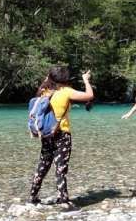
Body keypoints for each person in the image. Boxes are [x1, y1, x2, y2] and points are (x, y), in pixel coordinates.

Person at [28, 66, 94, 208]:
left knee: (43, 165)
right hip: (61, 133)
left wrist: (49, 77)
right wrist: (86, 80)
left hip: (46, 133)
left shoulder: (44, 91)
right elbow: (89, 95)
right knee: (61, 168)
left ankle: (33, 196)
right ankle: (63, 199)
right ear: (65, 79)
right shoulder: (66, 92)